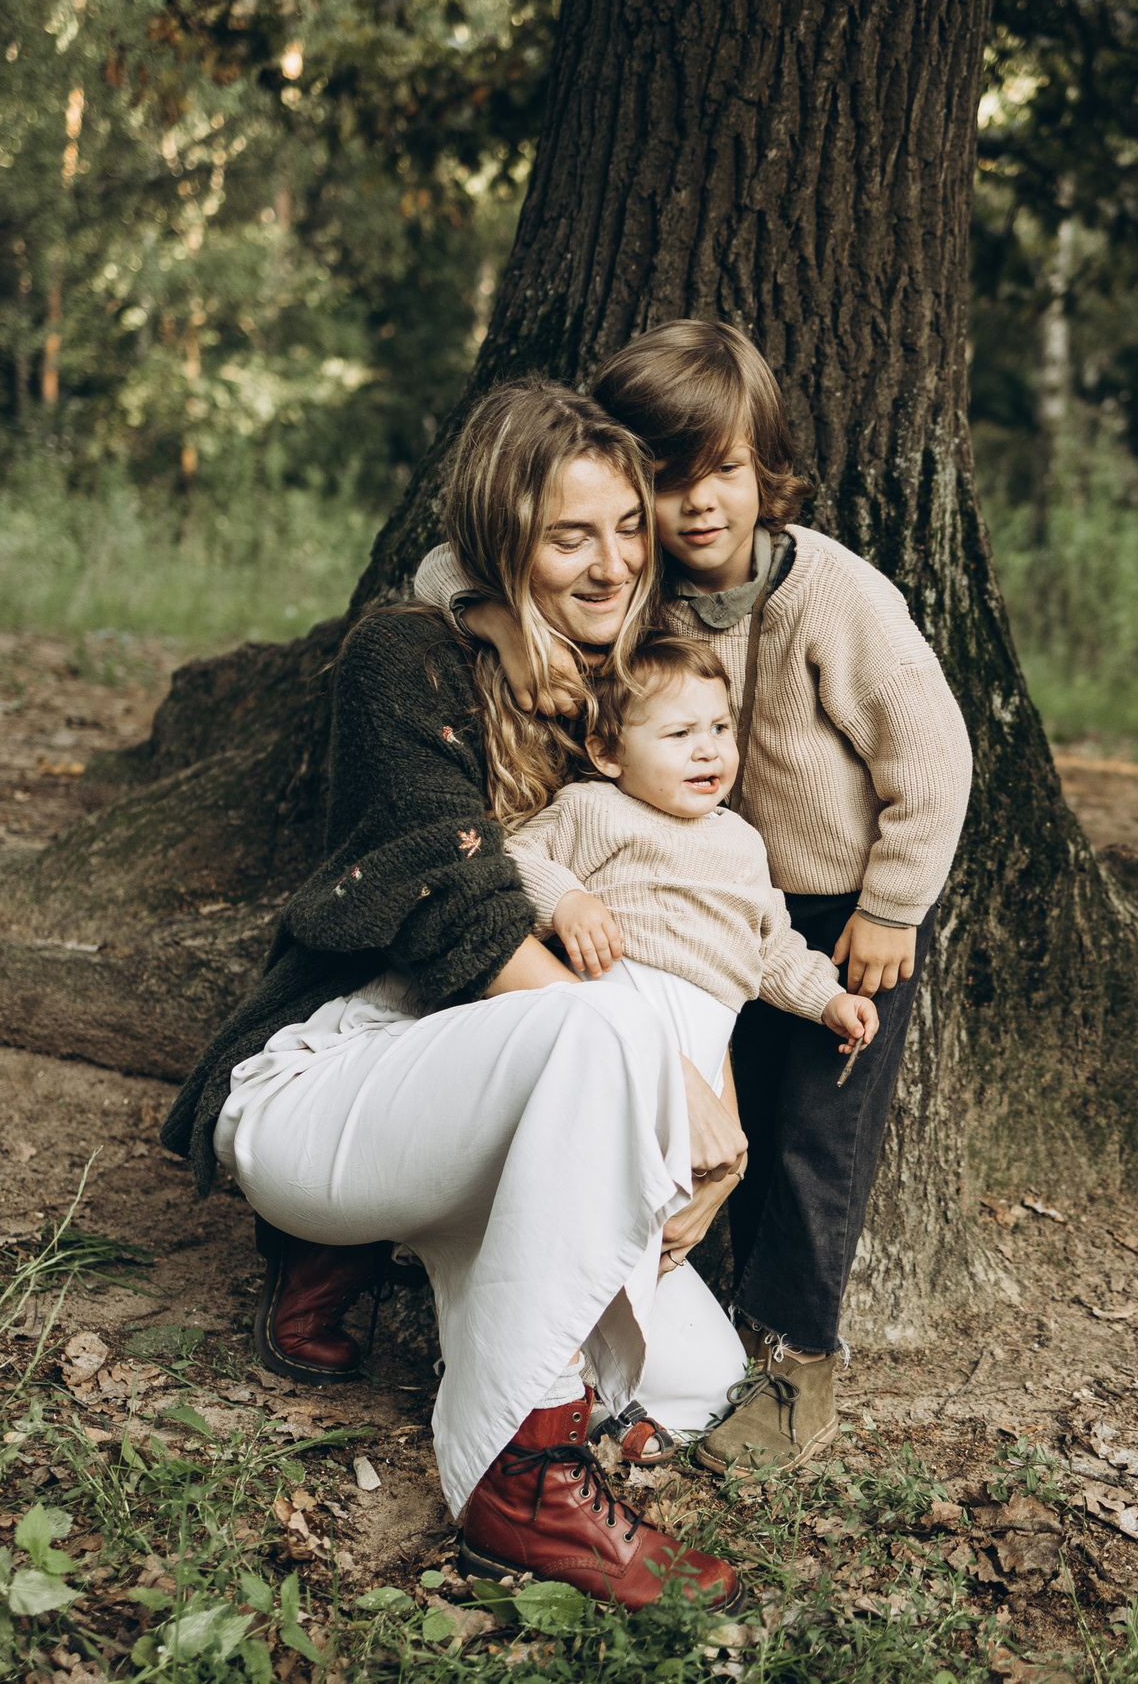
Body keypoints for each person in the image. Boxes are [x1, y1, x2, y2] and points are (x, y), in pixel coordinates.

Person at [158, 379, 750, 1611]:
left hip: (500, 1107)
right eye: (568, 536)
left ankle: (453, 1317)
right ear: (500, 541)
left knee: (690, 1370)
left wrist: (710, 1107)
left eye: (628, 527)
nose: (610, 565)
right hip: (336, 1084)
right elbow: (450, 897)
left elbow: (714, 918)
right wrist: (664, 1082)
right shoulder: (406, 655)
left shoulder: (628, 686)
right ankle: (516, 1477)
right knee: (601, 1022)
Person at [413, 320, 973, 1473]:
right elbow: (450, 571)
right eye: (663, 481)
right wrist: (495, 633)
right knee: (713, 1126)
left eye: (721, 471)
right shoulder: (639, 577)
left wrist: (894, 908)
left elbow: (932, 755)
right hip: (694, 912)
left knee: (816, 1134)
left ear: (763, 469)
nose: (697, 504)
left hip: (833, 917)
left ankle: (802, 1365)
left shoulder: (831, 594)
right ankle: (636, 1312)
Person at [504, 635, 881, 1457]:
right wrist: (566, 902)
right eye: (679, 734)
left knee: (665, 1261)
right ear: (607, 751)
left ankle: (616, 1395)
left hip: (704, 1044)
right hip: (616, 1013)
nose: (709, 748)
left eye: (720, 728)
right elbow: (512, 859)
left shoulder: (742, 843)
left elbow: (771, 947)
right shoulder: (592, 810)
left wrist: (829, 999)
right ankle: (548, 1381)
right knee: (593, 1208)